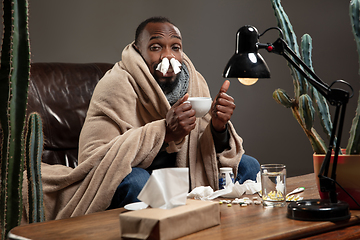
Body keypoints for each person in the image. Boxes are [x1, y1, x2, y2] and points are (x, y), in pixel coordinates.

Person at [78, 16, 260, 209]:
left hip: (186, 171)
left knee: (249, 166)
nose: (168, 56)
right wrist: (165, 132)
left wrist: (218, 128)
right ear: (139, 51)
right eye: (156, 47)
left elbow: (203, 149)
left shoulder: (194, 82)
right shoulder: (116, 84)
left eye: (175, 47)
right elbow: (94, 159)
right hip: (142, 172)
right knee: (139, 182)